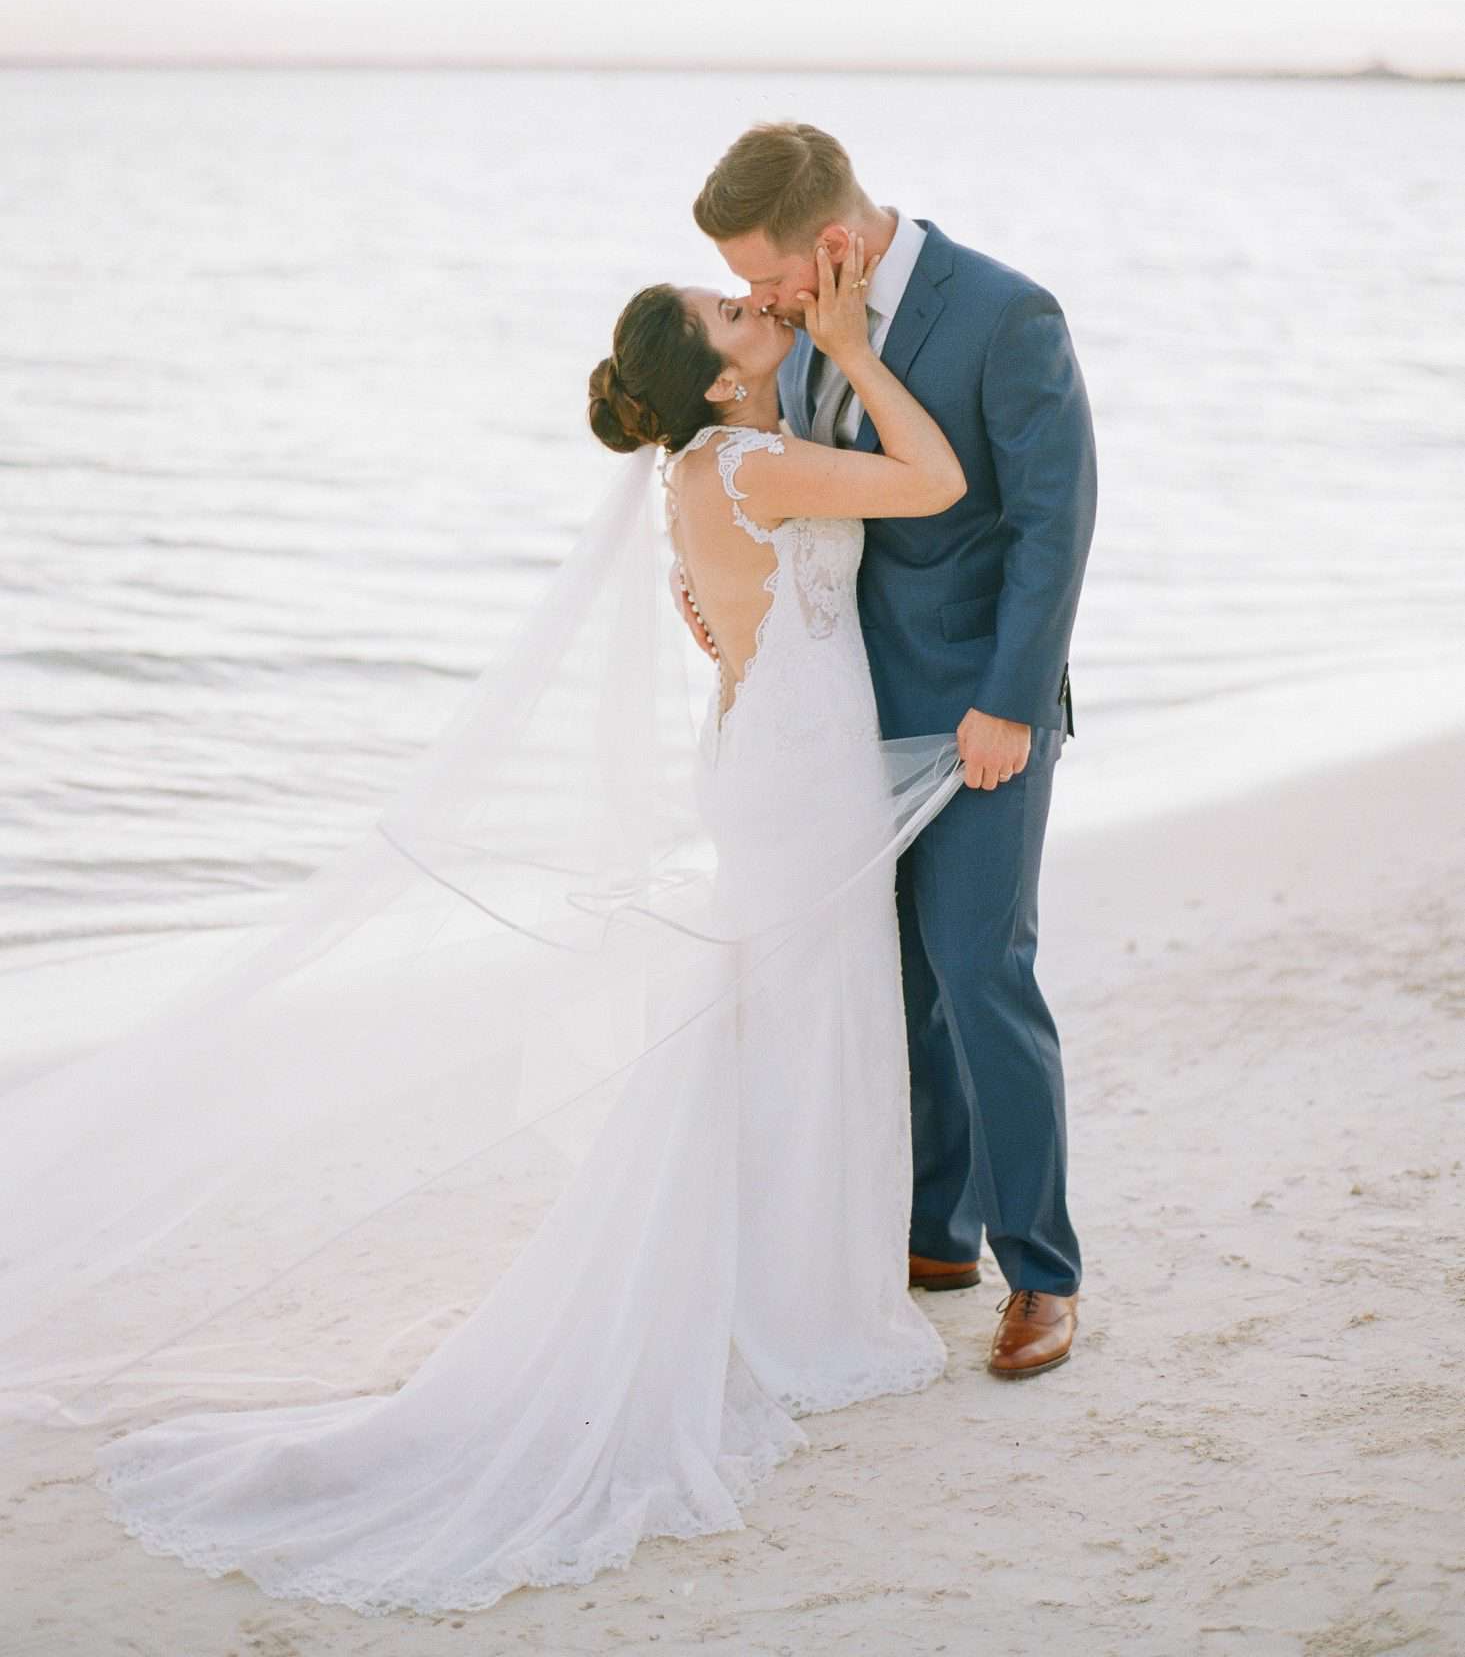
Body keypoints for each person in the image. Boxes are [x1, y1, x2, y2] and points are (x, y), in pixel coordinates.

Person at [37, 231, 978, 1616]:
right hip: (789, 767)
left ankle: (796, 1287)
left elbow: (753, 608)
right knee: (808, 1022)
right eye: (730, 311)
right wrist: (846, 350)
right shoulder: (751, 464)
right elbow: (939, 481)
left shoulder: (714, 468)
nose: (749, 304)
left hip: (780, 749)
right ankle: (797, 1308)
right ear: (720, 386)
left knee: (796, 1024)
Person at [689, 121, 1098, 1378]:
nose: (756, 300)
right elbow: (775, 497)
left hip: (977, 714)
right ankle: (935, 1233)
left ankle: (1042, 1272)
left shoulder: (1004, 312)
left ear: (829, 240)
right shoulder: (803, 331)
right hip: (838, 722)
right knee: (894, 984)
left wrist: (1010, 701)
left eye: (763, 273)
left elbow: (1052, 520)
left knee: (981, 972)